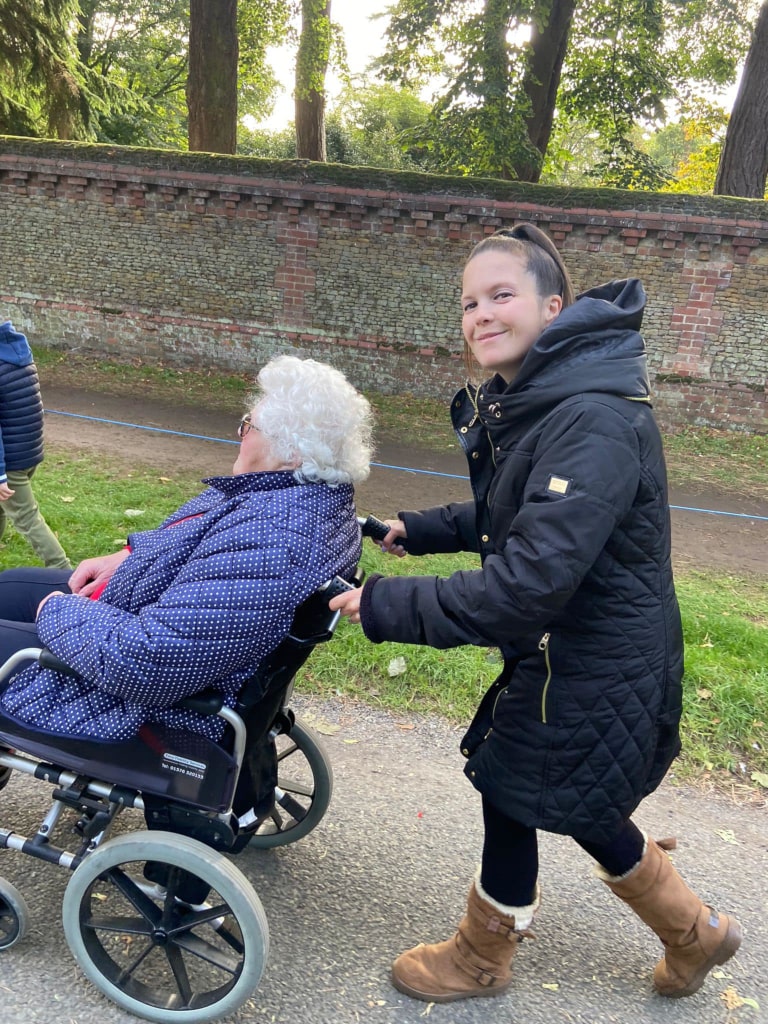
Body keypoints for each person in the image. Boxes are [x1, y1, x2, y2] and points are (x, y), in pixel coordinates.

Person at [330, 224, 742, 1004]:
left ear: (553, 307)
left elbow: (524, 583)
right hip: (576, 647)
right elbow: (512, 513)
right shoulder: (548, 401)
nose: (479, 314)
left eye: (500, 296)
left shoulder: (591, 420)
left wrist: (381, 603)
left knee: (513, 784)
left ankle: (482, 959)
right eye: (468, 303)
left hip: (592, 655)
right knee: (574, 793)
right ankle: (697, 933)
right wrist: (416, 531)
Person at [0, 354, 373, 751]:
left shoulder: (274, 542)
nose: (240, 433)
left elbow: (150, 662)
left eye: (250, 426)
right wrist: (129, 554)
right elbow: (194, 542)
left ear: (292, 452)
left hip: (134, 697)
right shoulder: (290, 496)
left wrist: (57, 612)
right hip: (135, 610)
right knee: (8, 587)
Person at [0, 320, 70, 570]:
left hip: (10, 462)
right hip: (29, 453)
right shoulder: (15, 350)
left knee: (27, 519)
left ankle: (64, 574)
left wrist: (0, 474)